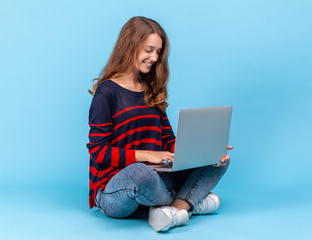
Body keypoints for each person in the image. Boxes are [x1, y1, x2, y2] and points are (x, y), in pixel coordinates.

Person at [87, 16, 233, 232]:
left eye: (158, 52)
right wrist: (147, 155)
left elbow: (168, 141)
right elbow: (98, 152)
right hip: (115, 190)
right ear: (130, 45)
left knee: (219, 161)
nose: (154, 57)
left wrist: (205, 150)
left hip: (159, 180)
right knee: (140, 173)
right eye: (149, 50)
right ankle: (190, 202)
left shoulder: (151, 89)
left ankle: (174, 210)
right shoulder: (106, 92)